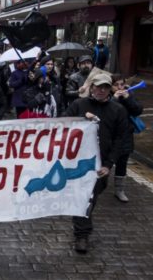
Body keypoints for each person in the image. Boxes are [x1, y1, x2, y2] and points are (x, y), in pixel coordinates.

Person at [65, 73, 128, 254]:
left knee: (93, 196)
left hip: (101, 164)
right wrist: (81, 120)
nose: (101, 90)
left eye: (105, 87)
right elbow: (60, 126)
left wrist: (109, 164)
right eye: (98, 86)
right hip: (78, 163)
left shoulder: (117, 110)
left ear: (110, 89)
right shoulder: (79, 105)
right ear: (91, 87)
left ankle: (82, 226)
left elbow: (120, 139)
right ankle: (82, 234)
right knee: (84, 198)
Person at [110, 75, 143, 202]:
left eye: (122, 84)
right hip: (110, 137)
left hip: (125, 136)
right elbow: (109, 112)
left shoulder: (129, 95)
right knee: (105, 162)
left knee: (122, 164)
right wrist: (115, 98)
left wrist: (129, 98)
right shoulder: (108, 96)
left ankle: (119, 190)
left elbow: (137, 111)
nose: (119, 87)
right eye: (116, 85)